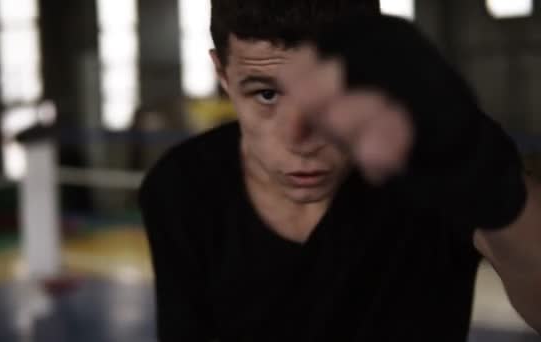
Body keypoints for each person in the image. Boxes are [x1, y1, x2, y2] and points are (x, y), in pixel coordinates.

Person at [139, 1, 541, 340]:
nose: (301, 137)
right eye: (266, 93)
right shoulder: (182, 186)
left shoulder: (439, 157)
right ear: (223, 75)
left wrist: (498, 192)